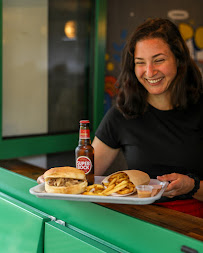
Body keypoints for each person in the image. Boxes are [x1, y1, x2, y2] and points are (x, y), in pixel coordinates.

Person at [38, 18, 203, 217]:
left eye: (159, 60)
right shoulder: (122, 113)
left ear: (178, 59)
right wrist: (58, 180)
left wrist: (192, 186)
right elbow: (84, 178)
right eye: (140, 63)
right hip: (139, 221)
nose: (150, 72)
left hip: (194, 225)